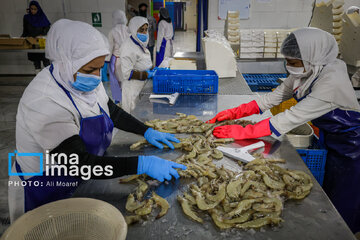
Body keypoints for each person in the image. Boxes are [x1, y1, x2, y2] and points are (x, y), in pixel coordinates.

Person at [8, 19, 186, 223]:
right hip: (49, 184)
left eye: (100, 68)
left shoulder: (82, 79)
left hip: (83, 177)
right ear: (65, 62)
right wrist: (142, 163)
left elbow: (113, 112)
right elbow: (78, 163)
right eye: (91, 69)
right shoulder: (45, 101)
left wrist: (146, 131)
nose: (96, 77)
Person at [207, 27, 360, 234]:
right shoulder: (307, 70)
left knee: (343, 200)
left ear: (311, 58)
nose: (290, 67)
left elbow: (286, 120)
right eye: (287, 61)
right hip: (329, 137)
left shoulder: (330, 82)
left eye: (294, 63)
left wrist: (242, 132)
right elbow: (272, 99)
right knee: (328, 190)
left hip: (352, 148)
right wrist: (236, 112)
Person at [119, 16, 155, 113]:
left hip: (142, 86)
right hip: (132, 88)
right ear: (134, 30)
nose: (144, 33)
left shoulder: (139, 43)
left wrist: (152, 69)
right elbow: (127, 73)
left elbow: (142, 62)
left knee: (143, 114)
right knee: (133, 114)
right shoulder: (127, 48)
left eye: (146, 30)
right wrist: (146, 74)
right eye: (141, 30)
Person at [106, 10, 130, 103]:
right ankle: (126, 98)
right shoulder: (128, 30)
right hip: (127, 60)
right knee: (126, 79)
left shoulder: (112, 31)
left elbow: (110, 47)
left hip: (116, 60)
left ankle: (118, 99)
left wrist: (107, 60)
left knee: (115, 81)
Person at [21, 0, 51, 72]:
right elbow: (25, 30)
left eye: (35, 9)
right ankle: (38, 79)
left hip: (41, 42)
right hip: (32, 43)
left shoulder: (42, 17)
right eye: (31, 9)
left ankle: (49, 80)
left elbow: (47, 28)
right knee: (36, 63)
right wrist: (21, 39)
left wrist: (41, 35)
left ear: (38, 9)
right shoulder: (27, 18)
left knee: (46, 63)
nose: (33, 11)